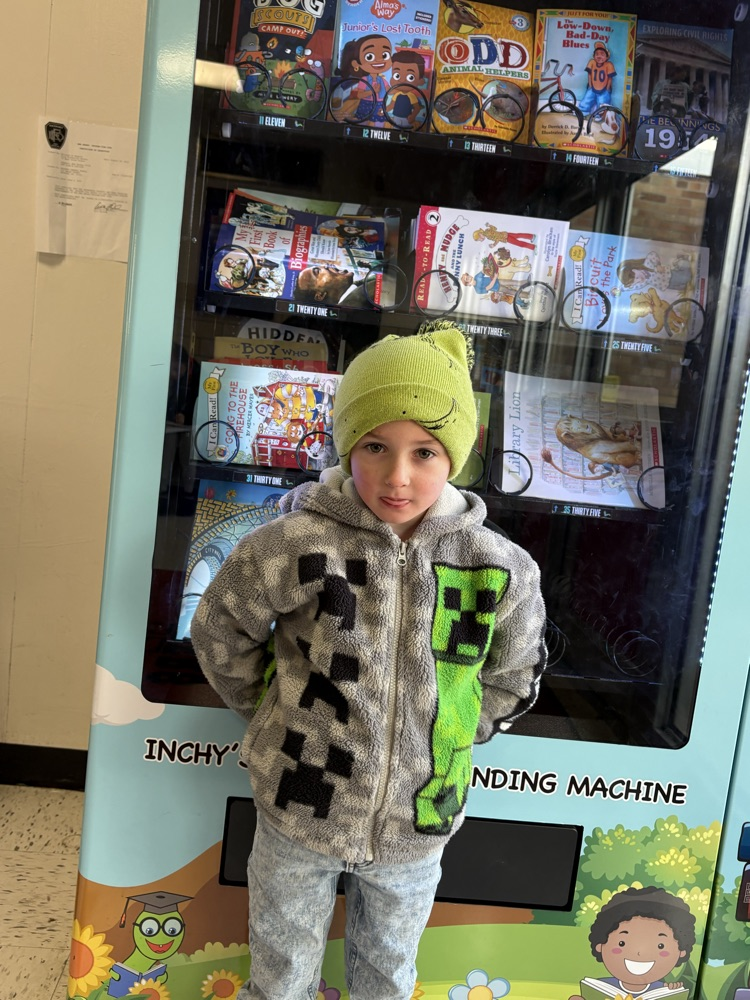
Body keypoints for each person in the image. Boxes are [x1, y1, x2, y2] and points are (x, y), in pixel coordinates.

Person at [191, 321, 548, 1000]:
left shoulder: (498, 567)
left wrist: (453, 734)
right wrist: (269, 709)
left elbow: (515, 670)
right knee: (280, 970)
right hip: (299, 804)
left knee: (388, 976)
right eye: (375, 446)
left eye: (425, 452)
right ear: (347, 445)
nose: (397, 475)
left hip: (420, 818)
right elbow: (220, 630)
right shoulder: (291, 541)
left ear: (458, 457)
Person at [568, 885, 696, 999]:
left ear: (681, 952)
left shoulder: (663, 991)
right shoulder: (603, 987)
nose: (639, 952)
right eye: (621, 943)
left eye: (660, 946)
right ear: (600, 946)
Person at [579, 41, 616, 115]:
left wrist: (608, 88)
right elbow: (589, 74)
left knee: (603, 102)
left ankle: (601, 115)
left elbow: (610, 78)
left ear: (607, 57)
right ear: (594, 56)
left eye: (602, 54)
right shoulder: (592, 62)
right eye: (597, 54)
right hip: (592, 87)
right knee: (587, 100)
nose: (599, 56)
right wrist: (590, 85)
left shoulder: (609, 64)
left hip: (604, 89)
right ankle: (582, 112)